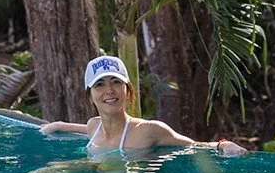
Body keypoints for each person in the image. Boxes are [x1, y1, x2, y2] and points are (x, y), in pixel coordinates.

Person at [40, 55, 247, 156]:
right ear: (90, 96)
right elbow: (85, 129)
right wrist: (60, 125)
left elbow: (193, 145)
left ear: (128, 90)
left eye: (116, 82)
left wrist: (222, 145)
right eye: (100, 84)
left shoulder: (148, 131)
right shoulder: (94, 126)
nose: (109, 90)